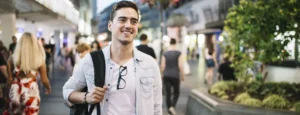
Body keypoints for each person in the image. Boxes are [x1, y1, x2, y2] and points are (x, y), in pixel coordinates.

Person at [63, 1, 162, 115]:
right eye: (122, 20)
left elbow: (156, 108)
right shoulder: (91, 60)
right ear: (110, 25)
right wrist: (87, 97)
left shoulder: (149, 64)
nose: (128, 25)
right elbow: (67, 90)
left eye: (133, 21)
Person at [3, 32, 51, 115]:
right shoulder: (39, 59)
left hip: (15, 92)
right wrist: (48, 88)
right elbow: (44, 80)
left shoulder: (12, 58)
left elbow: (9, 80)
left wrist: (7, 97)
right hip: (30, 93)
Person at [160, 38, 184, 115]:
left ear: (170, 43)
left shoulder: (165, 53)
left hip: (166, 75)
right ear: (175, 43)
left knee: (168, 93)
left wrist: (161, 74)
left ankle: (169, 107)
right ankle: (172, 107)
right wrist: (182, 75)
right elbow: (180, 65)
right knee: (176, 92)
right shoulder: (179, 53)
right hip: (175, 75)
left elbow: (163, 65)